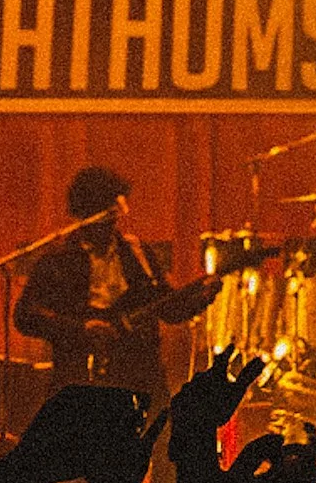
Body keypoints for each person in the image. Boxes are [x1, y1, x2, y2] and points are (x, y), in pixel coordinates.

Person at [13, 165, 220, 410]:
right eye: (100, 217)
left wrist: (202, 298)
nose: (109, 225)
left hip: (140, 377)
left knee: (154, 442)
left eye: (113, 214)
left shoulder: (137, 253)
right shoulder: (57, 260)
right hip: (80, 379)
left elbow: (168, 308)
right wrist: (80, 329)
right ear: (83, 216)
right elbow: (25, 316)